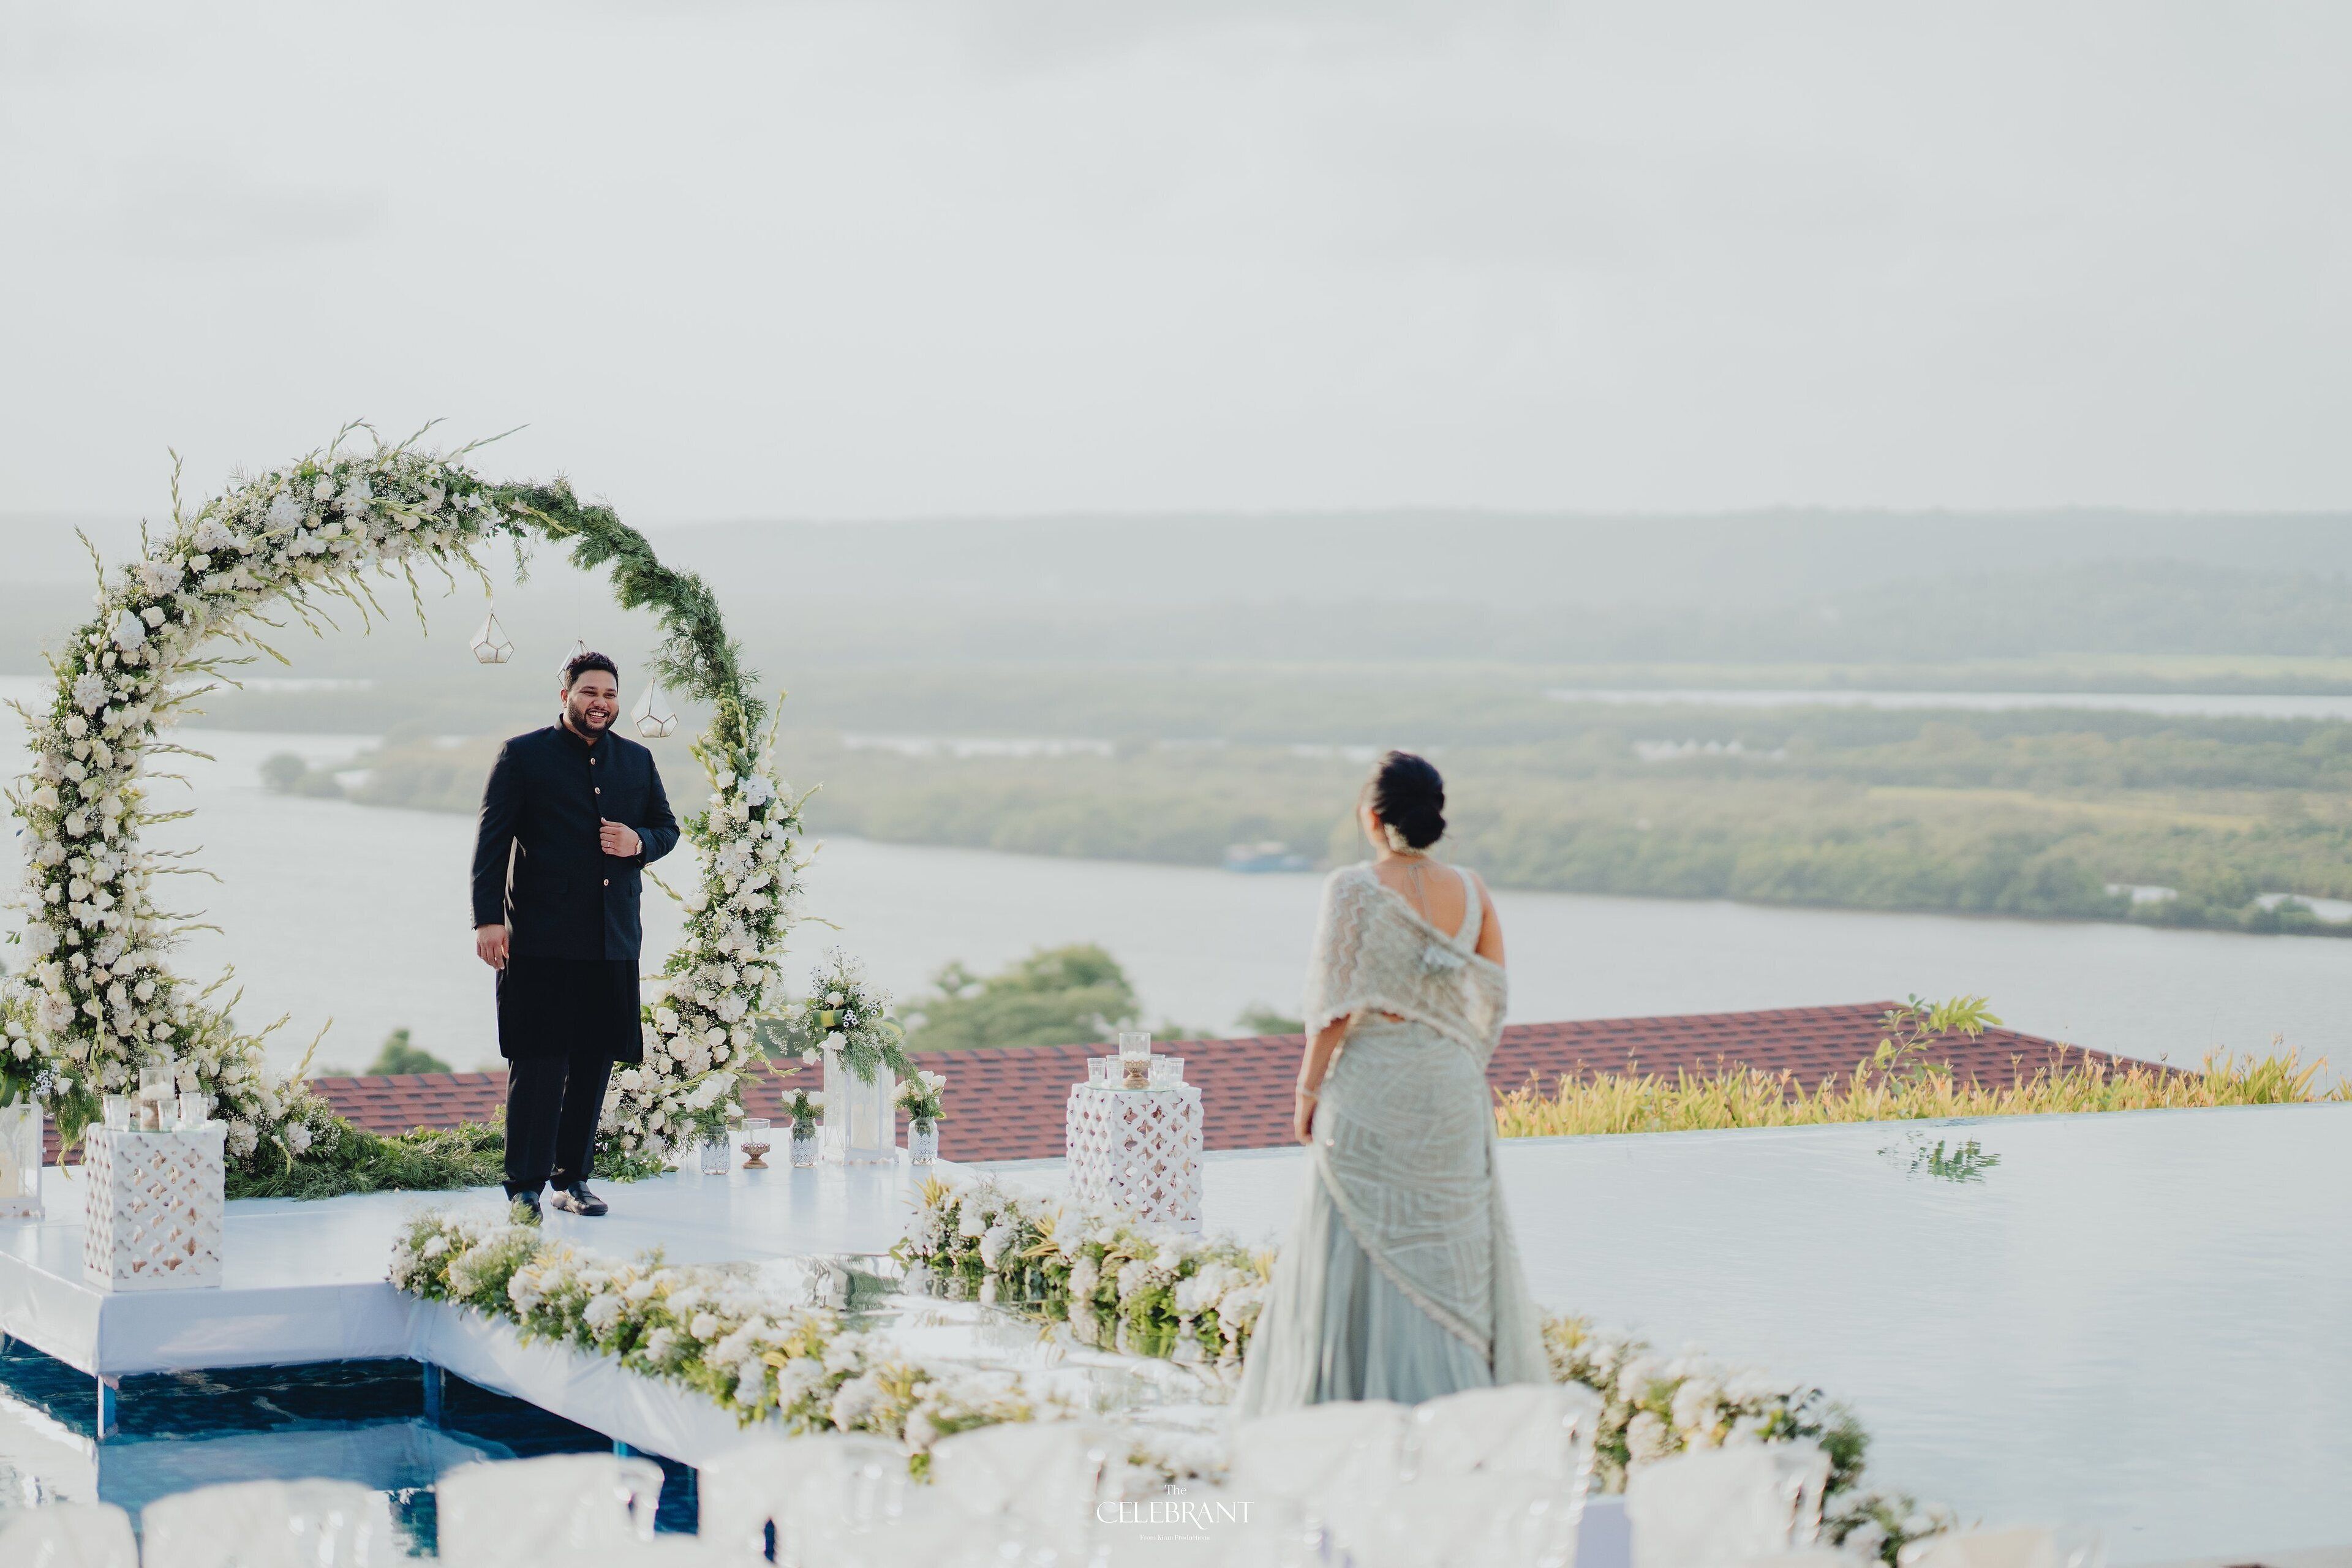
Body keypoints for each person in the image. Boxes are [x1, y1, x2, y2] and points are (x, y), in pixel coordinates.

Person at [1237, 750, 1549, 1411]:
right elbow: (1492, 997)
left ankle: (1344, 1409)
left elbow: (1333, 1007)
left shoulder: (1352, 887)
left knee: (1353, 1247)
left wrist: (1308, 1092)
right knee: (1452, 1248)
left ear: (1373, 817)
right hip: (1450, 1090)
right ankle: (1458, 1410)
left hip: (1371, 1089)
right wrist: (1452, 1059)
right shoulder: (1473, 888)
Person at [471, 650, 679, 1221]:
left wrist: (638, 841)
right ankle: (525, 1188)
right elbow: (492, 843)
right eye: (590, 693)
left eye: (610, 695)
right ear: (565, 696)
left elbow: (668, 828)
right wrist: (488, 920)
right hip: (539, 938)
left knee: (593, 1061)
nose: (601, 704)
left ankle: (573, 1180)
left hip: (612, 939)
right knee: (538, 1063)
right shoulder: (523, 755)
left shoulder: (636, 761)